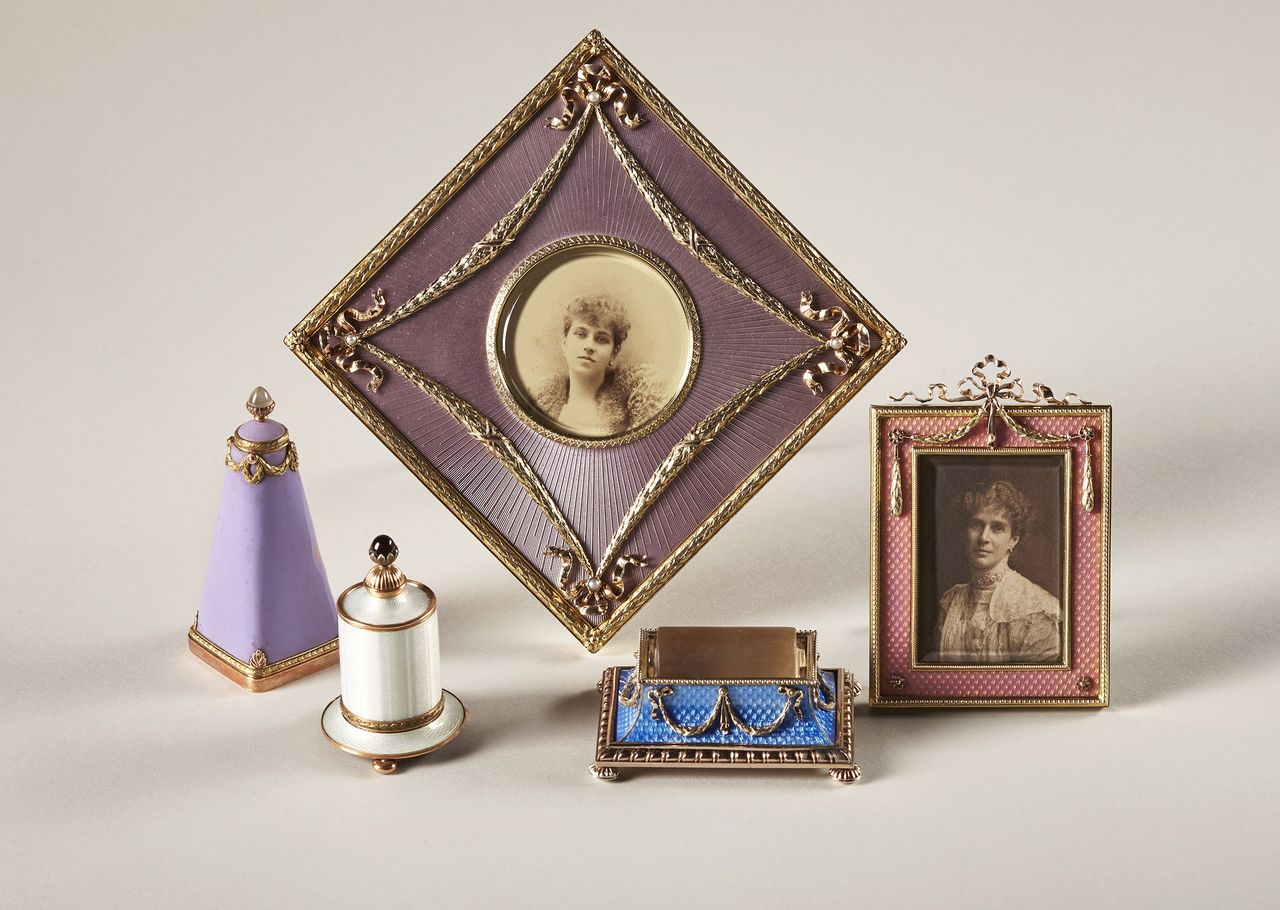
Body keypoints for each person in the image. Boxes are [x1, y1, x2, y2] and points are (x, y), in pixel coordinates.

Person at [934, 479, 1061, 664]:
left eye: (997, 528)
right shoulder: (950, 602)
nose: (984, 538)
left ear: (1013, 540)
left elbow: (1041, 683)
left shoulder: (1035, 607)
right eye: (976, 525)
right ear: (964, 533)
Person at [531, 294, 662, 437]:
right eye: (580, 334)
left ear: (614, 352)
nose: (589, 346)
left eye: (601, 339)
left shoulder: (634, 411)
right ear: (565, 344)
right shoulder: (538, 404)